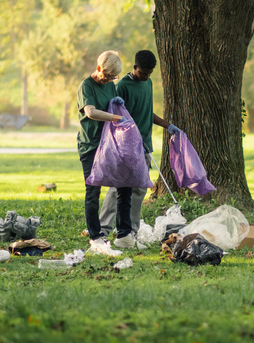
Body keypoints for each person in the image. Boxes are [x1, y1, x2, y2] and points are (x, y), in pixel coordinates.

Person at [99, 50, 181, 238]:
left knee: (139, 188)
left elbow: (147, 113)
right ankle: (103, 228)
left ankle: (132, 230)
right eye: (143, 73)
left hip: (145, 145)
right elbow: (117, 119)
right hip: (126, 146)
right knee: (118, 187)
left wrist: (168, 126)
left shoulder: (148, 83)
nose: (145, 77)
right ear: (135, 67)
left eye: (149, 74)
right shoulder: (122, 87)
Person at [77, 51, 134, 250]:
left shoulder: (110, 85)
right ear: (99, 67)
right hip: (91, 145)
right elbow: (91, 112)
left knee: (125, 184)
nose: (110, 80)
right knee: (93, 191)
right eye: (108, 75)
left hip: (110, 144)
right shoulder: (86, 86)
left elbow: (114, 106)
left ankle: (125, 233)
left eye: (113, 78)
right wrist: (115, 118)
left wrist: (119, 108)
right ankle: (95, 235)